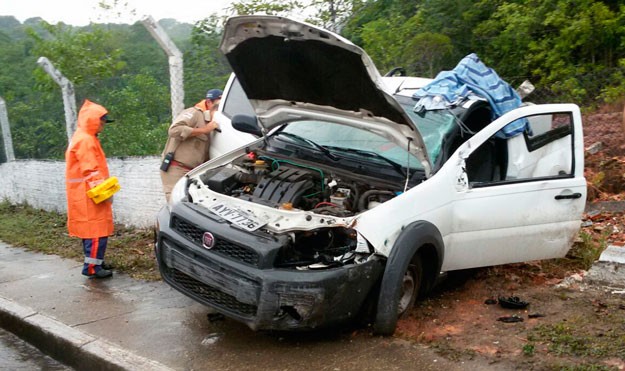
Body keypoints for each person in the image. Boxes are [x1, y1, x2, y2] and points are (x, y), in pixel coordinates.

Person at [65, 99, 116, 279]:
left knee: (92, 231)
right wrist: (104, 194)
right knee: (96, 232)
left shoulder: (83, 137)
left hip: (84, 192)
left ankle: (95, 262)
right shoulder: (86, 140)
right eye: (102, 121)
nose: (103, 126)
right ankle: (92, 268)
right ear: (95, 120)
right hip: (90, 194)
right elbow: (92, 170)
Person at [160, 88, 222, 202]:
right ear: (209, 102)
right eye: (218, 105)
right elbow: (174, 130)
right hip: (176, 169)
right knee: (176, 204)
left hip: (193, 173)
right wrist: (204, 130)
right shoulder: (195, 113)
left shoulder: (213, 123)